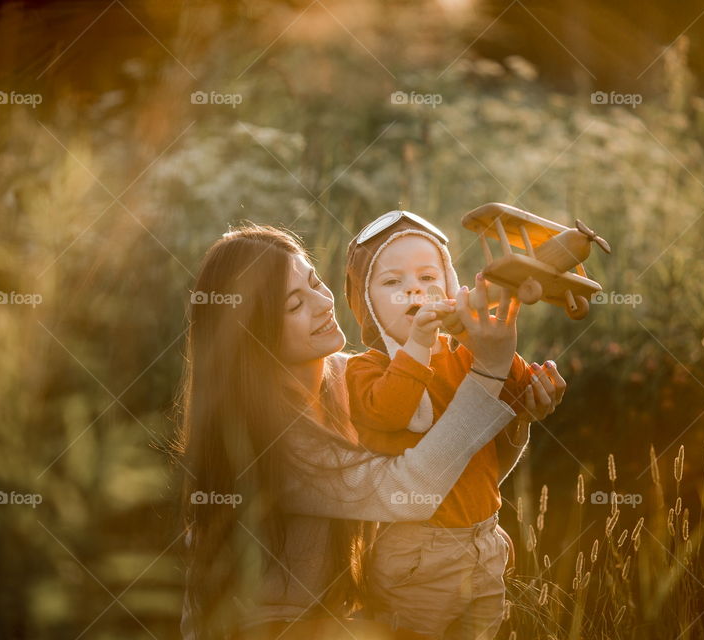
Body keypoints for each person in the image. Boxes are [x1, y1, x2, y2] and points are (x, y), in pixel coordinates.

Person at [175, 223, 565, 640]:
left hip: (342, 621)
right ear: (255, 334)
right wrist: (489, 371)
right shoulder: (272, 437)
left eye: (315, 282)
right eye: (294, 304)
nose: (323, 303)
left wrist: (517, 415)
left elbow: (452, 476)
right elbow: (412, 493)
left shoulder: (356, 377)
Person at [344, 211, 560, 639]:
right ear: (365, 304)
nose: (414, 289)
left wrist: (539, 390)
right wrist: (420, 344)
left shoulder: (465, 354)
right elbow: (392, 411)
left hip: (485, 540)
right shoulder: (365, 369)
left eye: (429, 277)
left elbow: (511, 392)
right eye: (391, 282)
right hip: (417, 551)